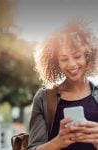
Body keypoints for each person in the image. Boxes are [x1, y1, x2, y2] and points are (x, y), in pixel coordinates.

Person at [27, 20, 98, 150]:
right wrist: (58, 142)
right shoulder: (45, 98)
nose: (71, 64)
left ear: (88, 55)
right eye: (64, 59)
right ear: (56, 62)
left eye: (77, 56)